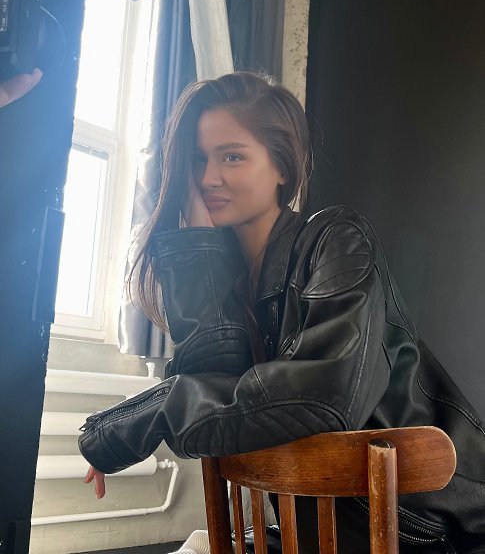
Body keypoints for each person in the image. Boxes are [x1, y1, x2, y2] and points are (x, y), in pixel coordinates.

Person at [79, 72, 485, 553]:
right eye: (198, 160)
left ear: (283, 168)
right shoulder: (224, 279)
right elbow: (214, 395)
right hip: (319, 533)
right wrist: (198, 253)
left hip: (423, 531)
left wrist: (141, 420)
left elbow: (325, 398)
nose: (207, 178)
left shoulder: (337, 239)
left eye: (232, 156)